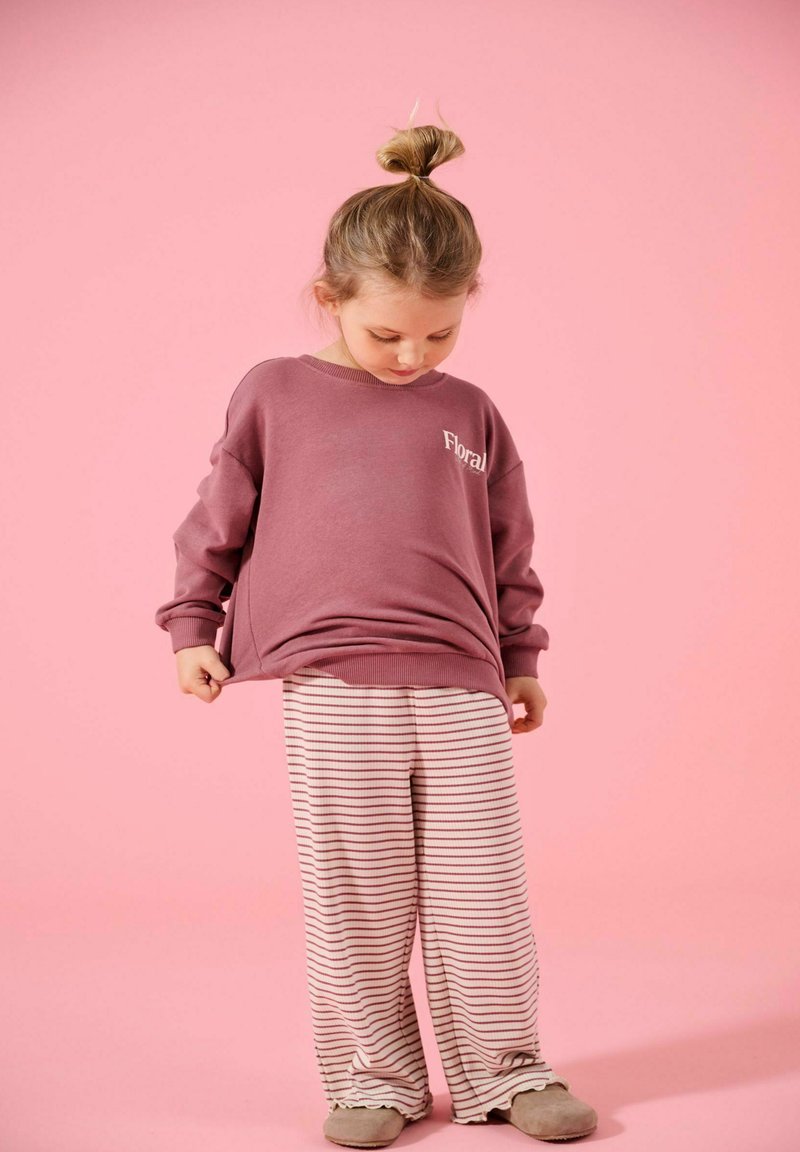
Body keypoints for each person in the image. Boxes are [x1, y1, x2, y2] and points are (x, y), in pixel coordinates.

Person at [154, 114, 598, 1148]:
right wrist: (192, 626)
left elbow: (507, 544)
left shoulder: (472, 412)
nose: (412, 355)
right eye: (386, 334)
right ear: (330, 298)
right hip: (332, 682)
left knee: (482, 890)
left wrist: (522, 657)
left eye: (438, 335)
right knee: (356, 893)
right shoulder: (275, 392)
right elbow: (217, 516)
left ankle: (507, 1070)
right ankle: (374, 1077)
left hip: (461, 680)